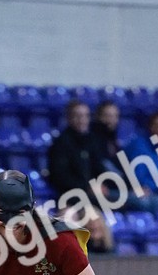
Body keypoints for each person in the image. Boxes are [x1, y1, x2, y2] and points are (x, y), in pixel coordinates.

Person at [47, 100, 113, 251]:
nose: (81, 120)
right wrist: (87, 187)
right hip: (68, 199)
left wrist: (102, 183)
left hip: (91, 200)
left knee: (98, 225)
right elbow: (59, 177)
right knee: (68, 222)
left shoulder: (92, 141)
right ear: (69, 118)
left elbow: (100, 169)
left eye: (85, 116)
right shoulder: (60, 144)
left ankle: (109, 258)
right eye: (77, 116)